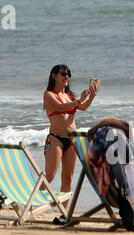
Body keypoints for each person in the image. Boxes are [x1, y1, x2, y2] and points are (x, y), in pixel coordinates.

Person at [42, 64, 99, 213]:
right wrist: (79, 101)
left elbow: (83, 107)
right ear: (54, 76)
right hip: (55, 139)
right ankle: (29, 200)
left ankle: (63, 212)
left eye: (69, 74)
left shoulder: (71, 96)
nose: (67, 77)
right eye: (63, 74)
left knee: (68, 177)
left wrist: (91, 97)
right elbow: (61, 108)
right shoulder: (49, 95)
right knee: (50, 175)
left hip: (71, 140)